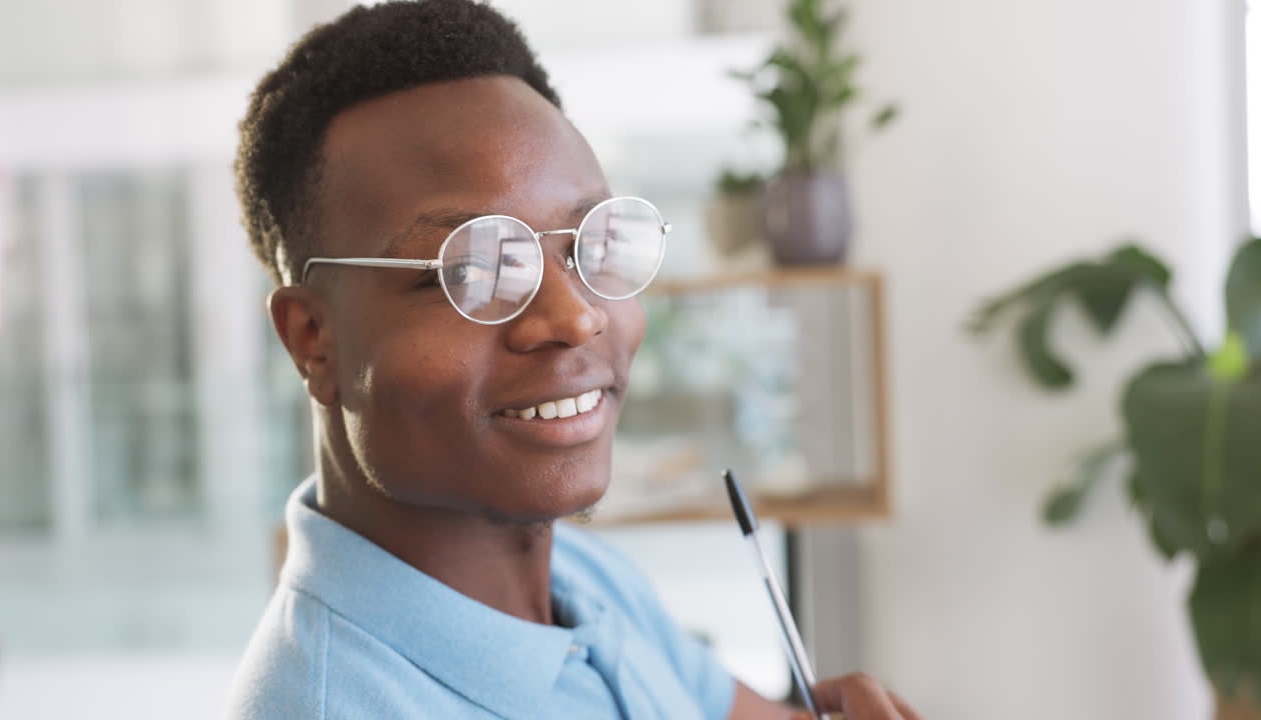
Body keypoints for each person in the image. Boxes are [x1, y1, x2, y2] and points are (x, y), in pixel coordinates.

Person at [226, 1, 922, 718]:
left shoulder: (584, 577)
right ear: (314, 339)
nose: (576, 316)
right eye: (473, 267)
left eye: (589, 243)